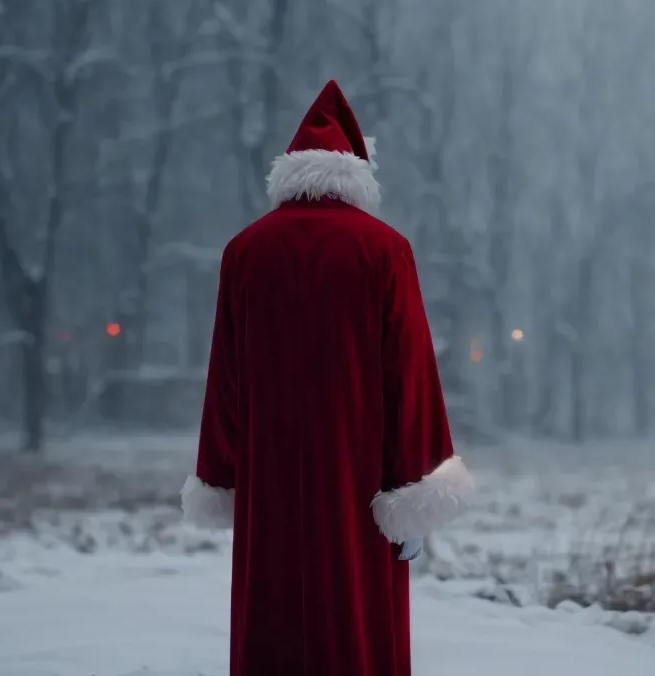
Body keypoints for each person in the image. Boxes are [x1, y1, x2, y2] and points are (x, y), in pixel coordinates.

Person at [182, 80, 470, 676]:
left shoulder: (245, 252)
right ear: (358, 172)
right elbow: (410, 377)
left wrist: (220, 473)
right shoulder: (384, 250)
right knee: (355, 624)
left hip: (270, 489)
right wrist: (412, 494)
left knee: (276, 622)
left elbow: (225, 381)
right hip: (358, 488)